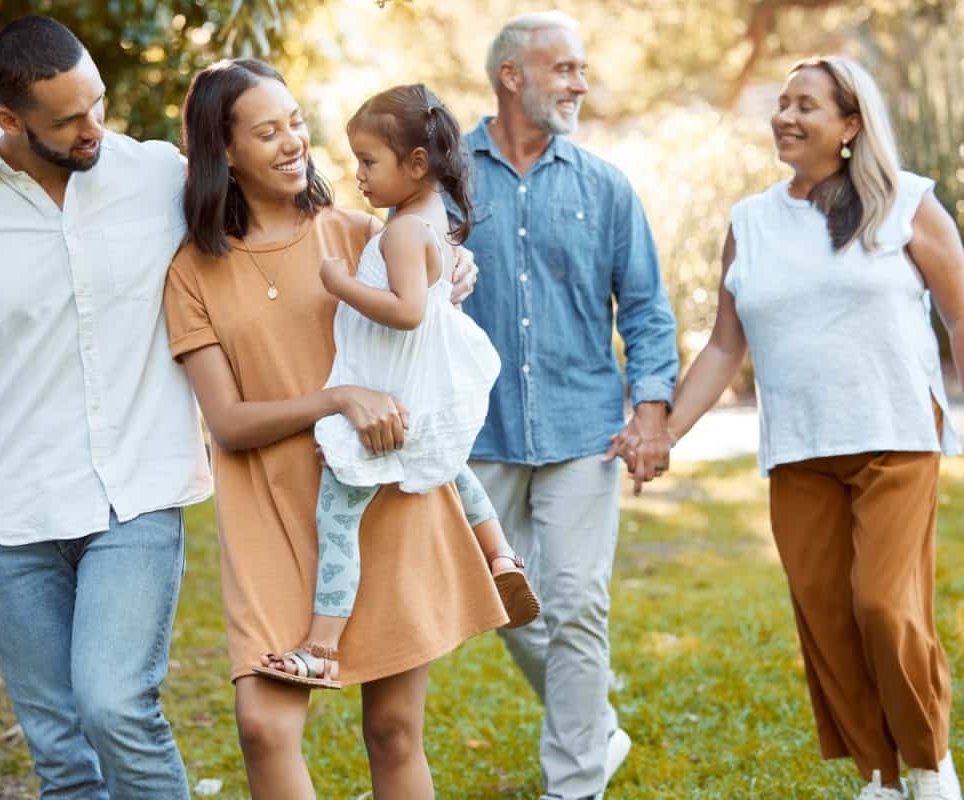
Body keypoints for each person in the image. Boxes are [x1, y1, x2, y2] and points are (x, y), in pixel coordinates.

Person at [0, 16, 210, 799]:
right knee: (59, 749)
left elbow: (274, 227)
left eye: (98, 105)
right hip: (8, 522)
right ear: (9, 121)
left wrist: (423, 259)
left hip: (137, 497)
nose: (95, 129)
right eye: (69, 120)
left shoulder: (157, 176)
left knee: (116, 706)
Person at [165, 58, 506, 799]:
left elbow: (428, 316)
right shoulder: (191, 272)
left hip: (378, 495)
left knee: (392, 731)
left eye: (295, 123)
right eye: (267, 131)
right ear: (223, 151)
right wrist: (337, 397)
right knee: (264, 727)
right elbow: (224, 421)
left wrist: (455, 274)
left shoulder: (359, 234)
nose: (293, 143)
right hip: (270, 511)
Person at [634, 56, 963, 800]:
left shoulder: (906, 204)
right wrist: (665, 434)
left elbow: (959, 310)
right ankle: (880, 775)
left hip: (895, 435)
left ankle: (927, 762)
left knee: (883, 603)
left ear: (850, 126)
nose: (784, 116)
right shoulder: (750, 222)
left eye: (805, 105)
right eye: (781, 103)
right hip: (800, 449)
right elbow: (724, 344)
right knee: (828, 616)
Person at [250, 84, 540, 690]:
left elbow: (407, 310)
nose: (357, 175)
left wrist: (339, 282)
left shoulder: (403, 231)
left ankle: (322, 648)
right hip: (426, 387)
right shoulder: (431, 218)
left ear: (416, 164)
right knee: (453, 468)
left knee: (337, 517)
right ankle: (502, 556)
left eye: (369, 162)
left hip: (391, 393)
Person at [458, 12, 680, 800]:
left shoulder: (605, 186)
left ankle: (575, 783)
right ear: (512, 76)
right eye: (565, 70)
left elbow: (647, 308)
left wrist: (652, 410)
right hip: (480, 432)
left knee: (579, 603)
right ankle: (596, 726)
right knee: (510, 603)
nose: (580, 85)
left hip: (585, 429)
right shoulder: (445, 177)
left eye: (582, 71)